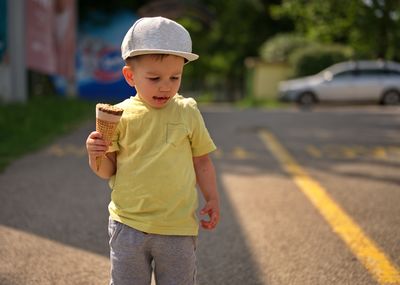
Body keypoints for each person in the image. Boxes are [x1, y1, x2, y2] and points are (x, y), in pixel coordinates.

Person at [85, 16, 219, 285]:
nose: (166, 86)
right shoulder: (119, 115)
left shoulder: (187, 111)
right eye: (155, 77)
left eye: (175, 77)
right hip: (127, 224)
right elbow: (106, 170)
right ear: (130, 76)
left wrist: (212, 198)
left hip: (177, 226)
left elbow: (202, 161)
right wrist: (94, 152)